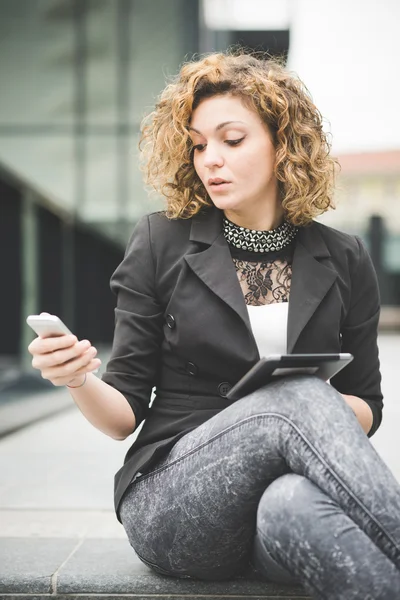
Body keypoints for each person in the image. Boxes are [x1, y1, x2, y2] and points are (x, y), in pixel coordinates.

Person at [28, 50, 400, 599]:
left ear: (283, 144)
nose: (210, 161)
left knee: (296, 503)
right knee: (297, 396)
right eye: (199, 145)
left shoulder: (344, 257)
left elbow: (366, 405)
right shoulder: (161, 242)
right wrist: (79, 378)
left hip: (273, 501)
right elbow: (122, 416)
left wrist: (291, 409)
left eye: (231, 140)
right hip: (175, 503)